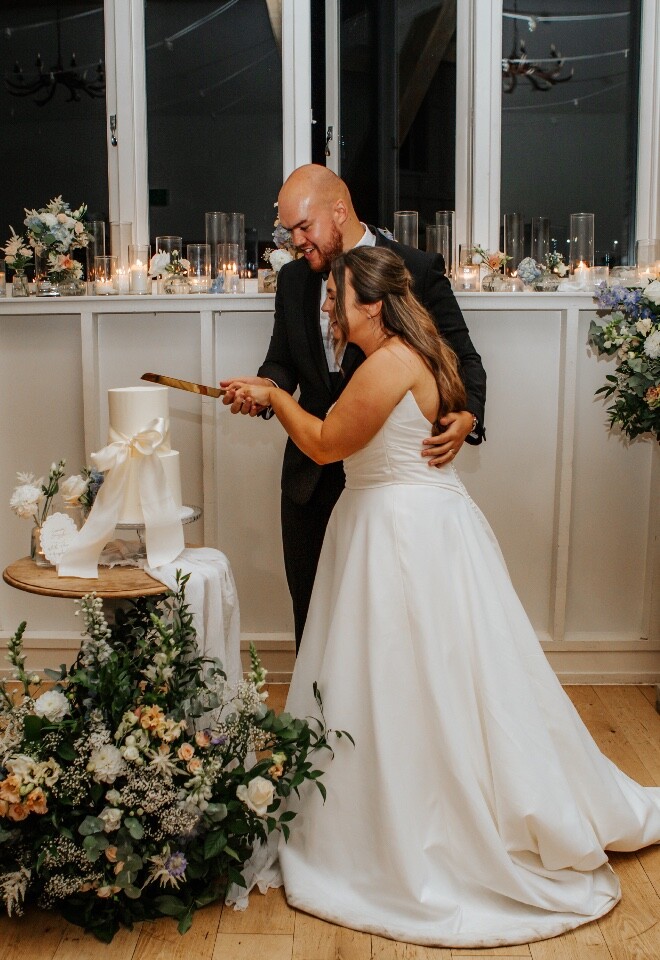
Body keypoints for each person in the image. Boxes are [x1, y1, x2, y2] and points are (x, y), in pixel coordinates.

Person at [228, 246, 660, 948]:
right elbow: (434, 414)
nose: (330, 307)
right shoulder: (408, 354)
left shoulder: (388, 363)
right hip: (417, 526)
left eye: (338, 297)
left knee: (406, 681)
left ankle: (411, 830)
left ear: (371, 304)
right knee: (432, 682)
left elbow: (326, 445)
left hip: (399, 537)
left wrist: (275, 397)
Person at [221, 164, 486, 648]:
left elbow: (463, 358)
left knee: (393, 629)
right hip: (311, 477)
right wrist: (262, 390)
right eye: (289, 231)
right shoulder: (295, 281)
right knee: (316, 615)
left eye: (305, 228)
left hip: (390, 490)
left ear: (339, 211)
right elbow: (282, 362)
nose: (296, 242)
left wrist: (468, 417)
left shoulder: (415, 268)